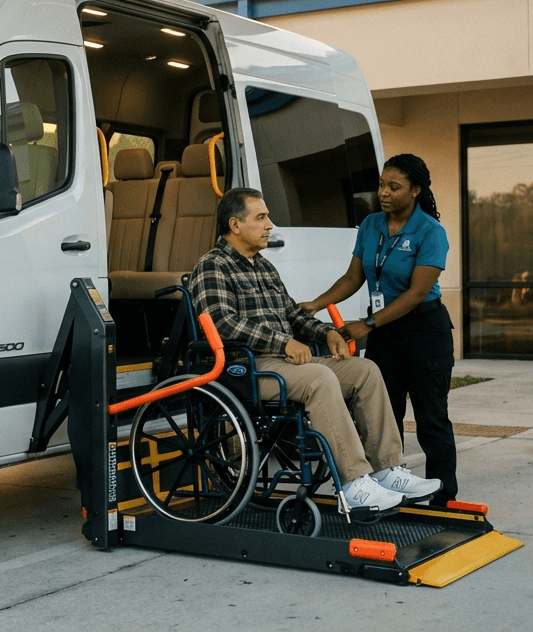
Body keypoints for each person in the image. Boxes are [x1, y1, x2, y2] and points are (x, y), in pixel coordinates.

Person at [187, 187, 441, 515]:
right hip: (243, 368)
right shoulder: (212, 266)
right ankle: (353, 485)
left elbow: (292, 315)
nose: (270, 224)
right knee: (318, 378)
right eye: (261, 217)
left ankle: (387, 471)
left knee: (366, 370)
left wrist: (329, 333)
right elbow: (222, 323)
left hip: (281, 363)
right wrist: (283, 343)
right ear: (235, 225)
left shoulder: (263, 267)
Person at [302, 153, 458, 506]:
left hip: (424, 330)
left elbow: (417, 293)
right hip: (387, 332)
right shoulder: (371, 224)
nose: (383, 192)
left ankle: (443, 496)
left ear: (416, 190)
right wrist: (315, 303)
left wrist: (366, 324)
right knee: (385, 415)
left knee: (431, 417)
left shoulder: (431, 232)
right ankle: (390, 488)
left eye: (394, 187)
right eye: (381, 185)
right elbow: (353, 277)